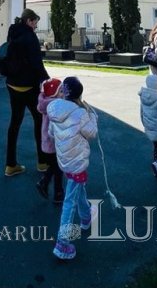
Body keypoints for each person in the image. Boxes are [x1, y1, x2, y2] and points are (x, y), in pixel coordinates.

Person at [48, 76, 98, 261]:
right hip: (77, 162)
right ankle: (62, 242)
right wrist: (92, 115)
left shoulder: (54, 110)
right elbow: (92, 133)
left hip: (65, 160)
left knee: (77, 190)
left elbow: (51, 133)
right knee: (70, 202)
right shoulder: (80, 114)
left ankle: (85, 217)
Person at [4, 8, 50, 177]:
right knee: (39, 121)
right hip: (29, 86)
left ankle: (10, 165)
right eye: (35, 21)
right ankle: (43, 162)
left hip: (12, 84)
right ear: (29, 21)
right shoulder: (30, 37)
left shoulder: (12, 33)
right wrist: (47, 80)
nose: (36, 25)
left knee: (14, 123)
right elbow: (37, 63)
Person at [36, 78, 64, 203]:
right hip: (54, 142)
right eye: (61, 91)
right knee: (58, 168)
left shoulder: (46, 102)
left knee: (55, 167)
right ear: (54, 94)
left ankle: (51, 188)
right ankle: (55, 191)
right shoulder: (55, 106)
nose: (64, 93)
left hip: (48, 143)